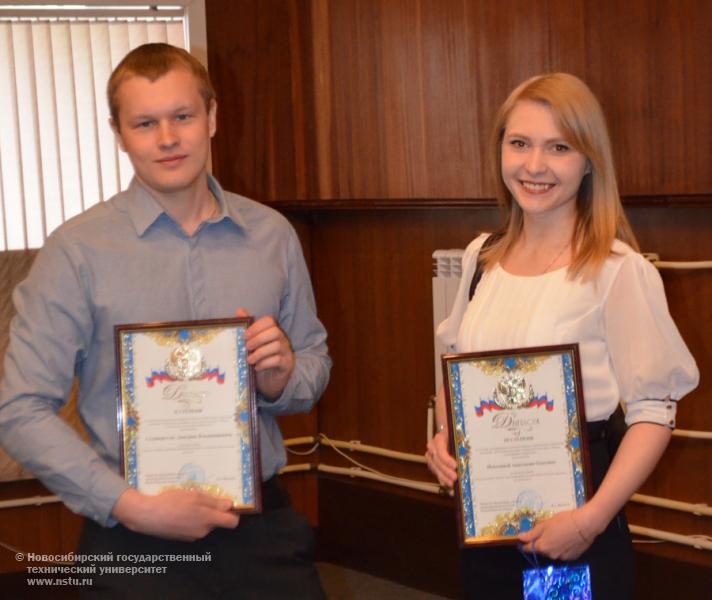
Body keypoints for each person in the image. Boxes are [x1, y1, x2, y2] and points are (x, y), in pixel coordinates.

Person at [0, 43, 331, 598]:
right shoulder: (76, 251)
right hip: (130, 536)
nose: (168, 138)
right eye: (145, 123)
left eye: (183, 116)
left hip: (260, 527)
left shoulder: (273, 236)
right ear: (118, 131)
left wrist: (280, 379)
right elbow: (19, 408)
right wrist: (128, 505)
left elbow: (313, 367)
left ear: (212, 116)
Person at [426, 73, 698, 599]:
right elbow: (454, 360)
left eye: (559, 147)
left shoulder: (618, 270)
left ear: (590, 160)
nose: (533, 166)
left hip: (576, 527)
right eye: (519, 143)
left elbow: (654, 410)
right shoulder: (480, 258)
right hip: (487, 527)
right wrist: (442, 437)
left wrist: (591, 520)